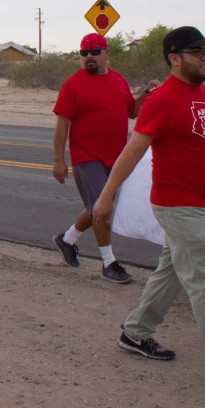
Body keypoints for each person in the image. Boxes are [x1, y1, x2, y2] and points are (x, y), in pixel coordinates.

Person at [92, 27, 205, 391]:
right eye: (196, 51)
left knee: (170, 273)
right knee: (204, 280)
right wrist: (106, 198)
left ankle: (135, 333)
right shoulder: (162, 100)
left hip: (203, 204)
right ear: (174, 57)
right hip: (178, 205)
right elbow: (133, 151)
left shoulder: (203, 93)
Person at [52, 33, 158, 283]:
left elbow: (132, 111)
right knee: (103, 211)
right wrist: (59, 160)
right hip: (87, 158)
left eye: (94, 51)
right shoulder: (73, 84)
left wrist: (147, 93)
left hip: (117, 160)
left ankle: (66, 240)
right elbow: (61, 125)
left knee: (98, 208)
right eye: (84, 53)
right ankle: (109, 263)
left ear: (106, 54)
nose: (89, 56)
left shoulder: (118, 79)